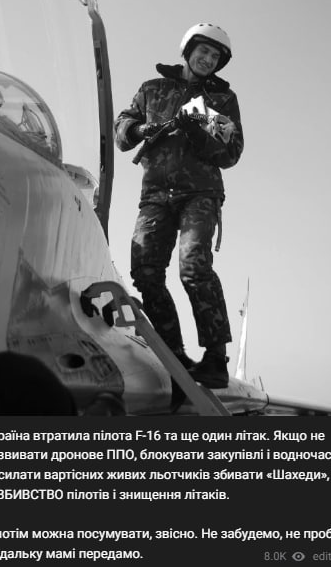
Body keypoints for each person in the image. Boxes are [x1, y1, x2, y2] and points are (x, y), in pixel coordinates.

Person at [114, 23, 243, 388]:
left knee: (193, 266)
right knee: (145, 271)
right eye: (203, 51)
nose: (208, 59)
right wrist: (141, 130)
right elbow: (123, 128)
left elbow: (231, 153)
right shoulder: (152, 89)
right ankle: (174, 354)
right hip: (155, 195)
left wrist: (196, 130)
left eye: (215, 56)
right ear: (188, 51)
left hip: (200, 193)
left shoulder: (223, 99)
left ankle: (215, 359)